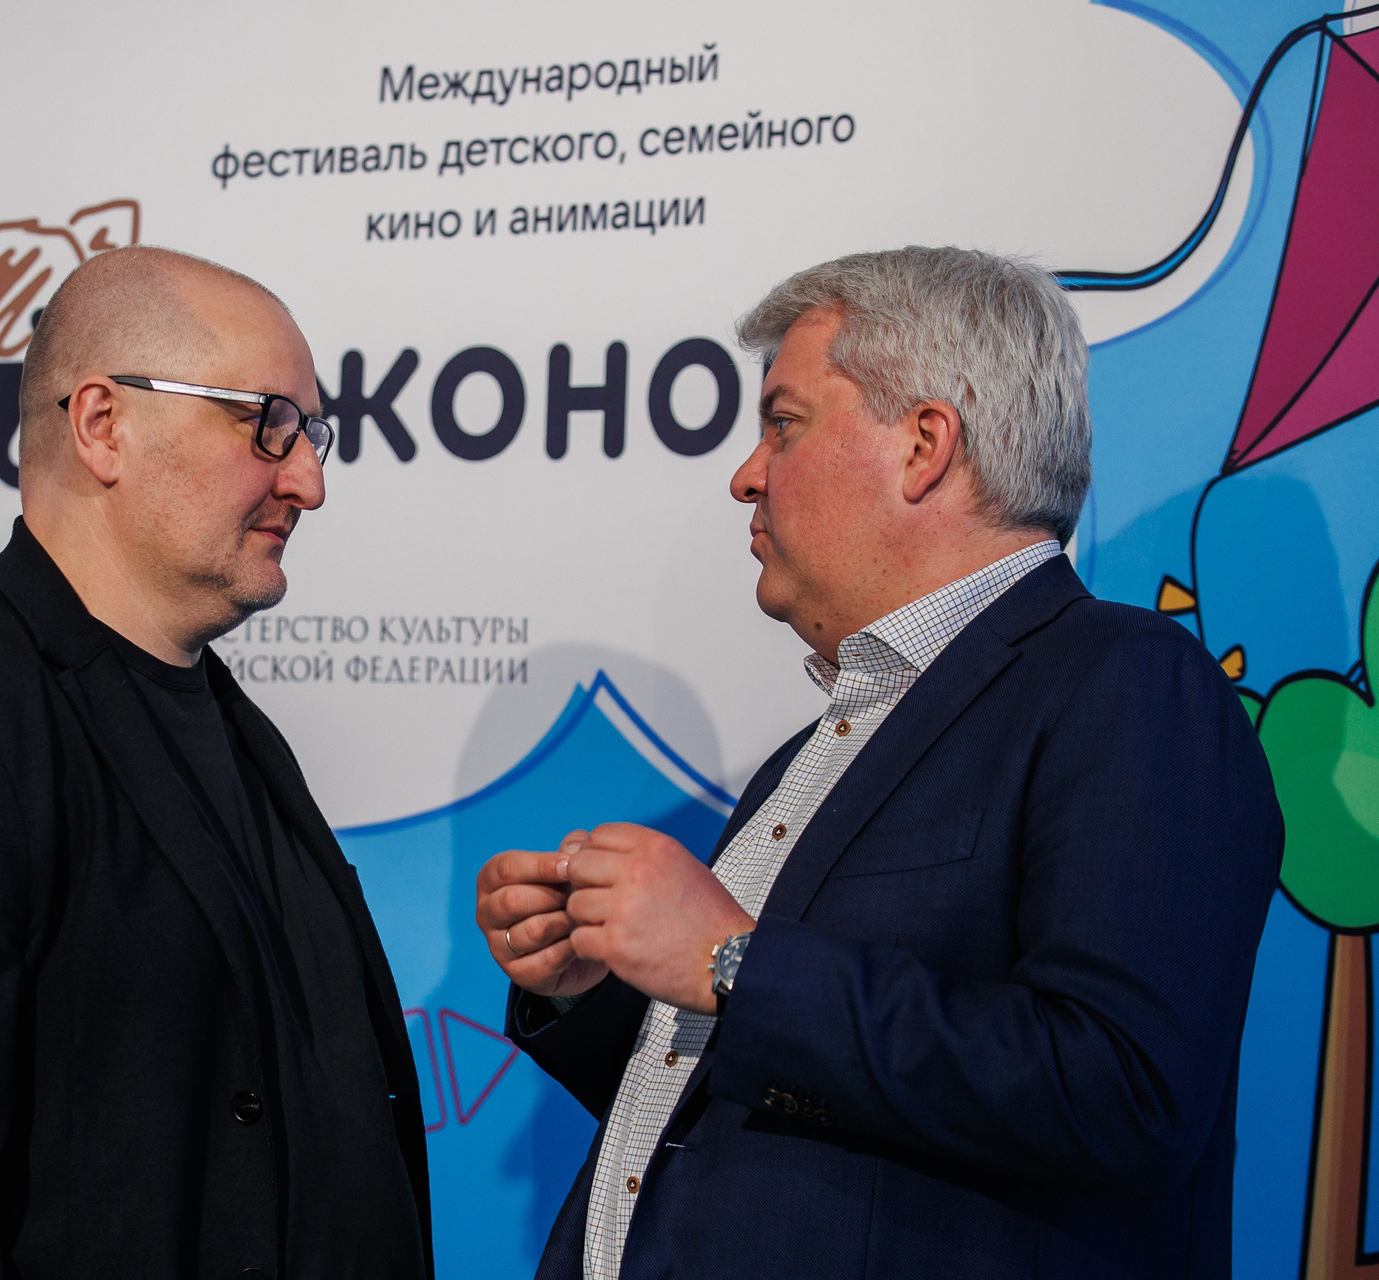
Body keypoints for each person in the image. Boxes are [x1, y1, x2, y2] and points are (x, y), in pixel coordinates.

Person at [477, 246, 1282, 1279]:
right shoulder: (809, 754)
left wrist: (730, 962)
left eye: (784, 422)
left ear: (924, 447)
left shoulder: (1127, 684)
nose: (746, 473)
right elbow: (763, 1111)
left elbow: (1122, 1091)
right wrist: (591, 989)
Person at [0, 246, 431, 1279]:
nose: (308, 480)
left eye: (311, 432)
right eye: (267, 422)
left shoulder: (236, 731)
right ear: (103, 425)